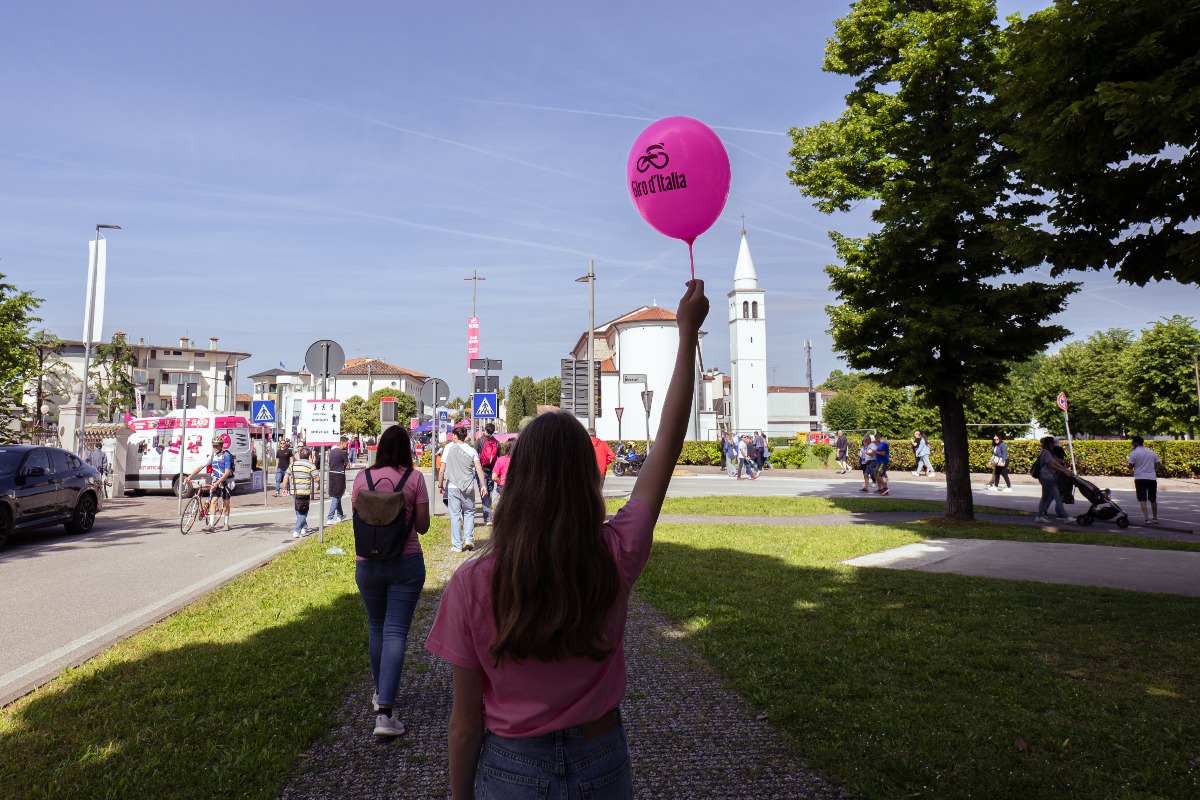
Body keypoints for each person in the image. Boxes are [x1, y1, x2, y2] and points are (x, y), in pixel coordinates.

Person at [426, 279, 708, 800]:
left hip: (510, 765)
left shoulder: (470, 585)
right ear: (589, 478)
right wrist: (687, 335)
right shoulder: (614, 554)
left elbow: (464, 725)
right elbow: (667, 445)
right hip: (601, 760)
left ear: (518, 480)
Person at [351, 425, 429, 738]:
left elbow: (356, 518)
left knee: (376, 627)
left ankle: (380, 693)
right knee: (395, 630)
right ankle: (385, 712)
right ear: (407, 449)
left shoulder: (361, 479)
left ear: (380, 448)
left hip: (367, 564)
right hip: (405, 563)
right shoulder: (415, 479)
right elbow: (422, 527)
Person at [439, 426, 488, 552]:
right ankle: (468, 539)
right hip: (468, 486)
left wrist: (440, 485)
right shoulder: (471, 450)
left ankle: (457, 545)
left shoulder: (448, 449)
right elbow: (478, 469)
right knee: (469, 512)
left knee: (455, 515)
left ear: (455, 436)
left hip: (453, 486)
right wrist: (483, 485)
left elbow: (442, 470)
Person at [187, 436, 234, 532]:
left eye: (217, 446)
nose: (215, 447)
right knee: (213, 501)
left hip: (226, 481)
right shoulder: (213, 456)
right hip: (216, 480)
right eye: (214, 446)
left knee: (226, 502)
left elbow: (227, 472)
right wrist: (190, 476)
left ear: (221, 446)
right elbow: (201, 467)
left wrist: (217, 483)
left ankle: (226, 523)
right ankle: (211, 526)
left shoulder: (226, 455)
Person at [1033, 435, 1072, 523]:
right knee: (1057, 497)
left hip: (1044, 477)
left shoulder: (1043, 451)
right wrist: (1063, 470)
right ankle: (1065, 517)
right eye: (1053, 442)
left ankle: (1039, 516)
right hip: (1048, 477)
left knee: (1045, 497)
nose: (1054, 444)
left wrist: (1064, 470)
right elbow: (1051, 465)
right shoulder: (1046, 452)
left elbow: (1054, 462)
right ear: (1049, 443)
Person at [283, 446, 319, 537]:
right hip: (304, 491)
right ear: (309, 456)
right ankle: (297, 530)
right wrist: (319, 483)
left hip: (294, 491)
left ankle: (304, 527)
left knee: (298, 509)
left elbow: (286, 476)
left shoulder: (293, 465)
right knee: (303, 511)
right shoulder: (311, 466)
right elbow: (317, 478)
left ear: (299, 455)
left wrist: (284, 488)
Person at [1127, 435, 1163, 525]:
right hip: (1151, 478)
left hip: (1140, 478)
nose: (1132, 444)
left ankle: (1147, 518)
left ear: (1136, 443)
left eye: (1133, 442)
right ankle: (1155, 518)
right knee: (1153, 499)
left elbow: (1130, 467)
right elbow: (1159, 466)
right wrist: (1151, 467)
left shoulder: (1133, 453)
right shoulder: (1151, 452)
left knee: (1142, 499)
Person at [474, 423, 500, 524]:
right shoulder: (496, 442)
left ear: (485, 430)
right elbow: (499, 457)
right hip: (492, 470)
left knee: (484, 493)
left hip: (481, 470)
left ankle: (488, 518)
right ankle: (488, 515)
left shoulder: (479, 441)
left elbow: (474, 455)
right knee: (489, 492)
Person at [326, 436, 350, 524]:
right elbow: (348, 466)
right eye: (346, 444)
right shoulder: (343, 453)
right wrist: (343, 466)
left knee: (337, 495)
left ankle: (340, 515)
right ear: (342, 443)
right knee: (336, 496)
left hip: (331, 474)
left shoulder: (331, 452)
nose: (347, 446)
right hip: (339, 475)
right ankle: (330, 517)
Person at [491, 440, 513, 509]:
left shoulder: (501, 459)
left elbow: (494, 477)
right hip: (517, 487)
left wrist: (501, 482)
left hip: (504, 487)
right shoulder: (520, 459)